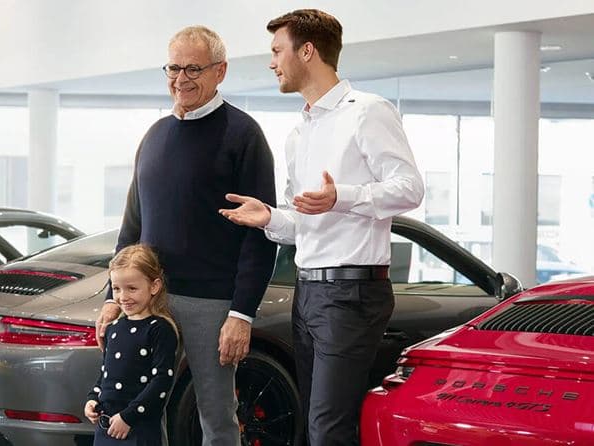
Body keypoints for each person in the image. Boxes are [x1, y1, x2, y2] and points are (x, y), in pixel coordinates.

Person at [219, 9, 424, 446]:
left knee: (328, 428)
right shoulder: (299, 134)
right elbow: (303, 224)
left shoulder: (367, 111)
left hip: (351, 292)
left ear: (307, 51)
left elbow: (410, 189)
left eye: (278, 51)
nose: (272, 62)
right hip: (308, 291)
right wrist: (269, 217)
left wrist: (342, 196)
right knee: (314, 426)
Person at [95, 26, 277, 446]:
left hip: (211, 305)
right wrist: (112, 296)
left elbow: (261, 234)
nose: (181, 78)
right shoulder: (155, 135)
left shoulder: (243, 135)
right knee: (137, 410)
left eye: (193, 68)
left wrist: (242, 314)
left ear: (220, 71)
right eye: (174, 68)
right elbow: (132, 226)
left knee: (216, 415)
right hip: (149, 298)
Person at [85, 244, 178, 446]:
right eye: (116, 289)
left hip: (138, 427)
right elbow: (105, 374)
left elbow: (161, 381)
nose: (123, 297)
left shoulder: (160, 329)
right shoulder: (114, 328)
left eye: (132, 288)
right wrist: (93, 398)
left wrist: (129, 417)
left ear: (154, 286)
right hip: (106, 426)